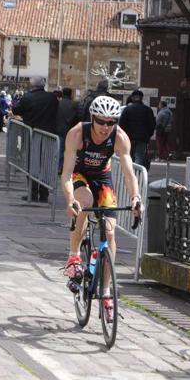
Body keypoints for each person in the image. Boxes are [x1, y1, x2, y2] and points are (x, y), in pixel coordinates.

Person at [60, 95, 143, 322]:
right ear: (92, 118)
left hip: (103, 177)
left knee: (109, 230)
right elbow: (66, 174)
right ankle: (74, 257)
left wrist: (136, 197)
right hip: (79, 174)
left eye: (111, 122)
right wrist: (70, 200)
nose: (106, 127)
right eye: (101, 121)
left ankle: (106, 292)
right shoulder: (77, 133)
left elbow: (128, 173)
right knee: (84, 203)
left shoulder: (120, 137)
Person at [12, 76, 58, 203]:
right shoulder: (52, 98)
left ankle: (33, 193)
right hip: (48, 136)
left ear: (31, 86)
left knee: (32, 164)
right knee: (45, 165)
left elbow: (16, 110)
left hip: (32, 135)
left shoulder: (27, 97)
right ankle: (44, 194)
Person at [118, 90, 156, 166]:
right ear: (142, 98)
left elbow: (121, 124)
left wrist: (123, 136)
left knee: (129, 156)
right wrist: (148, 135)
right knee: (139, 157)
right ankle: (138, 174)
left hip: (129, 137)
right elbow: (152, 124)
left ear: (132, 98)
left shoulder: (127, 109)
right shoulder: (148, 110)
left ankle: (130, 172)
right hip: (142, 138)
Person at [55, 87, 82, 172]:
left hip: (58, 129)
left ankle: (59, 166)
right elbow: (78, 117)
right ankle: (66, 166)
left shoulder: (58, 103)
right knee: (70, 150)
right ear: (71, 94)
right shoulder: (75, 104)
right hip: (70, 130)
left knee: (60, 148)